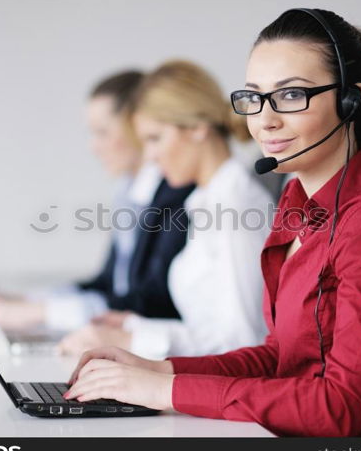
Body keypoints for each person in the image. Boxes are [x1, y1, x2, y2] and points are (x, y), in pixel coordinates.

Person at [62, 9, 361, 437]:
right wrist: (158, 370)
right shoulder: (298, 203)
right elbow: (278, 356)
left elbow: (341, 407)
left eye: (291, 95)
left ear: (349, 100)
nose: (265, 119)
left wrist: (166, 391)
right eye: (254, 97)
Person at [58, 60, 272, 359]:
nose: (151, 156)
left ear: (198, 128)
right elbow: (208, 326)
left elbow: (244, 341)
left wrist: (131, 340)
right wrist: (134, 326)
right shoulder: (205, 201)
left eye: (155, 139)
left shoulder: (234, 206)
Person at [0, 70, 194, 337]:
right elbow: (108, 284)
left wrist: (42, 311)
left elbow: (152, 302)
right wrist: (27, 300)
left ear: (136, 127)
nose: (94, 146)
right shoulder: (129, 194)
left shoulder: (178, 197)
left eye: (103, 132)